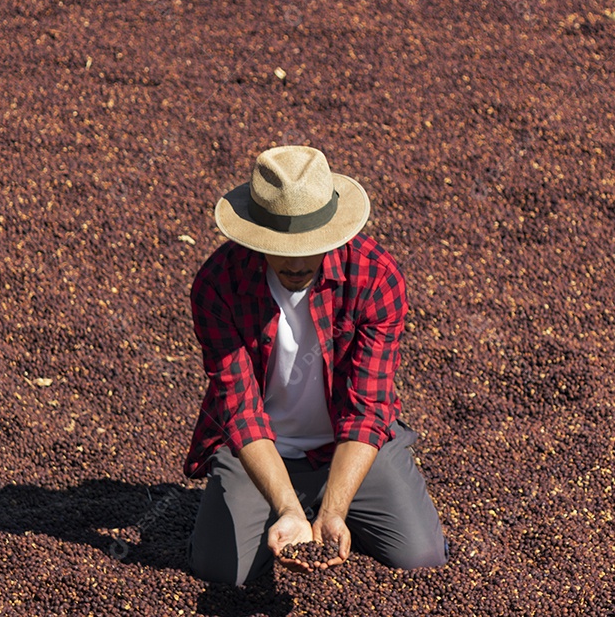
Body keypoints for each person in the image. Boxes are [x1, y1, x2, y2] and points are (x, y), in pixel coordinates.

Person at [184, 145, 447, 585]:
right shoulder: (218, 284)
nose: (297, 261)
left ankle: (331, 504)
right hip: (261, 449)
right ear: (256, 235)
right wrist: (287, 507)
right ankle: (288, 503)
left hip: (348, 446)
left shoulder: (376, 276)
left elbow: (367, 410)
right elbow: (240, 409)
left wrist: (334, 512)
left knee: (420, 556)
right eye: (282, 246)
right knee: (219, 571)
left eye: (310, 245)